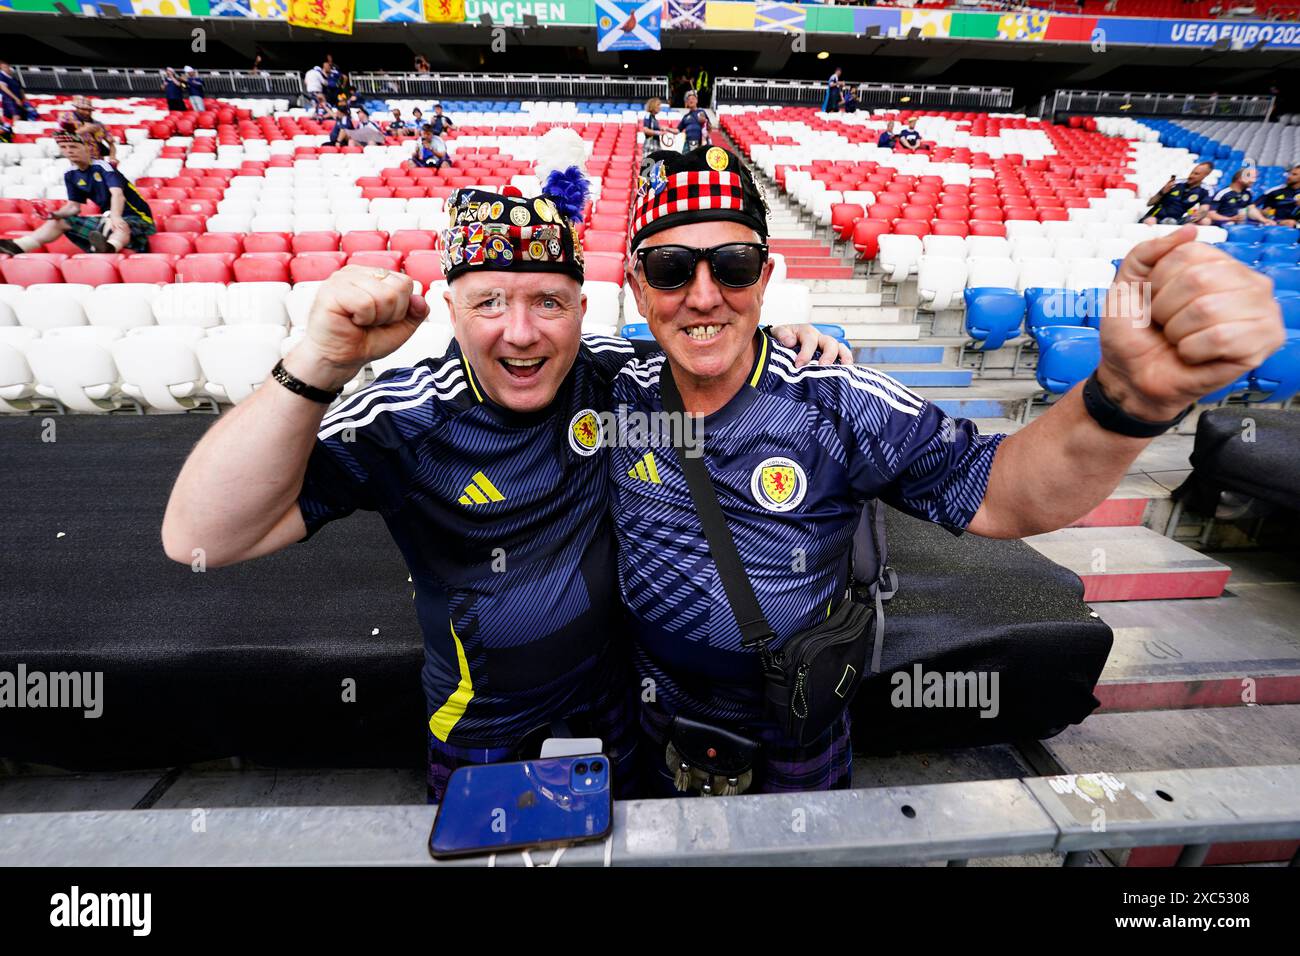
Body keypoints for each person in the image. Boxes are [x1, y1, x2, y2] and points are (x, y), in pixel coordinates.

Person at [159, 145, 847, 802]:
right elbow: (202, 537)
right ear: (450, 310)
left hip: (617, 705)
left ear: (582, 311)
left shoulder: (614, 379)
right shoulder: (404, 419)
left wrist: (783, 343)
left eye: (548, 301)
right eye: (489, 302)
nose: (521, 332)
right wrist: (317, 362)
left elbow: (703, 338)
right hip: (487, 730)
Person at [610, 145, 1285, 795]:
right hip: (651, 711)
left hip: (795, 715)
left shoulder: (840, 401)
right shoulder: (608, 388)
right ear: (638, 288)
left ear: (765, 277)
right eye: (670, 268)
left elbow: (1000, 490)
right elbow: (517, 347)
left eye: (732, 264)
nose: (703, 295)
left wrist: (1125, 398)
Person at [0, 131, 155, 256]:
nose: (68, 151)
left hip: (138, 217)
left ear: (87, 148)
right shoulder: (70, 174)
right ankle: (20, 246)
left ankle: (109, 247)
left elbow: (117, 194)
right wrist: (54, 215)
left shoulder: (104, 167)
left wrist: (115, 216)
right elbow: (73, 207)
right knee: (61, 221)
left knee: (118, 225)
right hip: (108, 217)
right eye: (64, 147)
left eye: (73, 146)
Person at [1141, 161, 1213, 224]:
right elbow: (1149, 203)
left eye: (1196, 174)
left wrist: (1195, 216)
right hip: (1154, 217)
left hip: (1176, 221)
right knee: (1151, 220)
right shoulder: (1176, 183)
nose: (1191, 176)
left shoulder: (1206, 190)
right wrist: (1162, 192)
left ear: (1205, 175)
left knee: (1205, 221)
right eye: (1192, 172)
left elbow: (1204, 210)